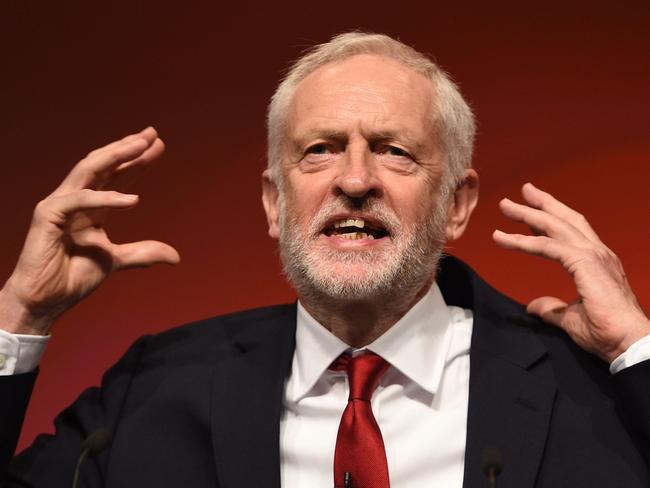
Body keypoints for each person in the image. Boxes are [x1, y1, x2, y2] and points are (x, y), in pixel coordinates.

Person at [1, 32, 649, 488]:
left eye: (394, 150)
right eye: (319, 150)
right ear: (273, 203)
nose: (356, 179)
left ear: (456, 203)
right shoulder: (153, 389)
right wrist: (20, 315)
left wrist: (637, 349)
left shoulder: (589, 389)